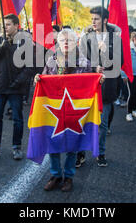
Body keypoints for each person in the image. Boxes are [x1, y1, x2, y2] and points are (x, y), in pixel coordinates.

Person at [34, 29, 103, 192]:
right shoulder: (51, 61)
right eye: (62, 39)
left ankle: (69, 177)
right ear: (57, 42)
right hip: (55, 110)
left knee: (73, 145)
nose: (66, 42)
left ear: (76, 42)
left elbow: (91, 85)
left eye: (69, 40)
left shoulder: (85, 63)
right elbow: (44, 81)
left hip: (75, 111)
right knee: (53, 143)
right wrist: (38, 79)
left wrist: (99, 79)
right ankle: (56, 175)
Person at [0, 14, 33, 160]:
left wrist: (18, 82)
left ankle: (17, 147)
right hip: (0, 86)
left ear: (16, 25)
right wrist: (2, 47)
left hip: (15, 88)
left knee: (17, 119)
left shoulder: (24, 42)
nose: (6, 27)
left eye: (8, 24)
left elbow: (29, 67)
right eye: (4, 25)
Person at [77, 6, 123, 167]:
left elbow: (120, 62)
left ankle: (100, 152)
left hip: (107, 87)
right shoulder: (86, 37)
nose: (93, 22)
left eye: (96, 19)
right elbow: (81, 61)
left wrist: (106, 51)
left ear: (104, 20)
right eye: (92, 19)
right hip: (88, 87)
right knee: (83, 122)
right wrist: (94, 67)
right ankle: (80, 152)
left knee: (102, 125)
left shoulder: (115, 39)